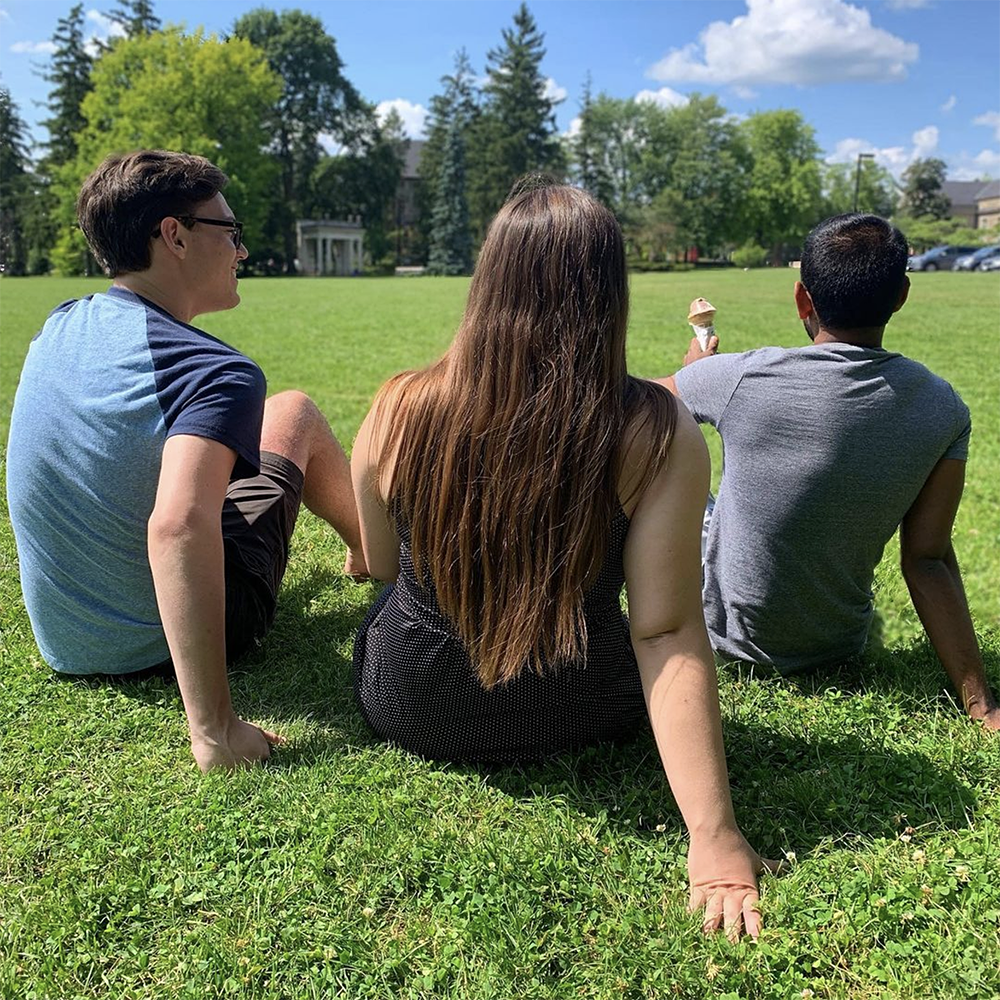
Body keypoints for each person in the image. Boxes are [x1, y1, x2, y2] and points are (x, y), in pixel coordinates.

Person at [351, 181, 773, 939]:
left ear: (487, 282)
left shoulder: (394, 406)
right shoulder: (656, 427)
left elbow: (381, 567)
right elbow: (665, 632)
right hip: (585, 704)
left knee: (387, 602)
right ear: (611, 292)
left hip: (412, 705)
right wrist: (713, 841)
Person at [6, 149, 366, 772]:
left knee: (227, 476)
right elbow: (177, 526)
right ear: (174, 235)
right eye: (230, 233)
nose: (241, 252)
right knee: (296, 414)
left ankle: (359, 548)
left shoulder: (61, 325)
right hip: (169, 639)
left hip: (66, 641)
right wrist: (215, 730)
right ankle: (372, 551)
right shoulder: (213, 371)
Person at [660, 212, 999, 730]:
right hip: (839, 644)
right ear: (901, 295)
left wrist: (693, 373)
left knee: (669, 475)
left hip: (729, 641)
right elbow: (928, 560)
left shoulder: (742, 375)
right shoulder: (943, 408)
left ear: (802, 299)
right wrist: (982, 703)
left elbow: (630, 404)